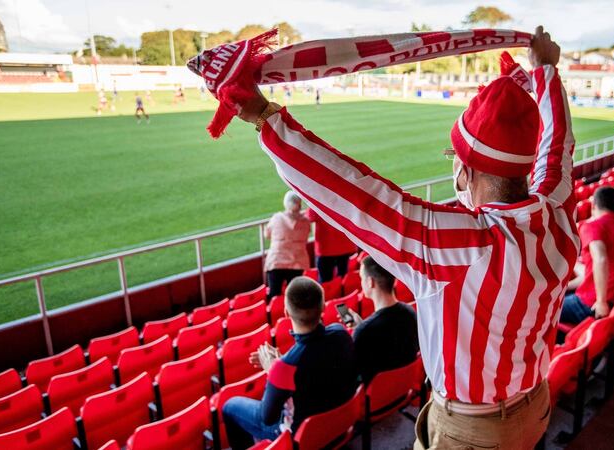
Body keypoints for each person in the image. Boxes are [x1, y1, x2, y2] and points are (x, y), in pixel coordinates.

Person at [233, 26, 578, 449]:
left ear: (465, 171)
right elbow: (558, 147)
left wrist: (265, 116)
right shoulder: (558, 213)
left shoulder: (459, 246)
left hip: (474, 432)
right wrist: (545, 71)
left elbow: (357, 196)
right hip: (534, 404)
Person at [222, 277, 357, 449]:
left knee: (229, 406)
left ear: (286, 312)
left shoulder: (284, 368)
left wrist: (273, 370)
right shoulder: (341, 333)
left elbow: (267, 417)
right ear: (323, 307)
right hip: (341, 424)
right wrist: (281, 363)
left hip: (303, 439)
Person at [561, 187, 614, 324]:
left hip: (595, 303)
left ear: (594, 205)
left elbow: (601, 260)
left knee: (543, 308)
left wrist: (601, 301)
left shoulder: (592, 226)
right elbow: (595, 269)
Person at [344, 256, 418, 384]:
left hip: (377, 402)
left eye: (362, 278)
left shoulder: (365, 331)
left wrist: (361, 328)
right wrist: (361, 325)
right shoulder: (410, 312)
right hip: (404, 390)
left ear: (370, 282)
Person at [265, 191, 311, 298]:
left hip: (277, 261)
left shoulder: (276, 218)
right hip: (297, 262)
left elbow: (267, 235)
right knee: (294, 295)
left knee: (274, 294)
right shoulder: (306, 222)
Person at [306, 208, 357, 283]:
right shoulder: (346, 199)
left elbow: (305, 219)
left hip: (326, 250)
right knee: (342, 279)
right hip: (345, 247)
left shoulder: (318, 200)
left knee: (325, 282)